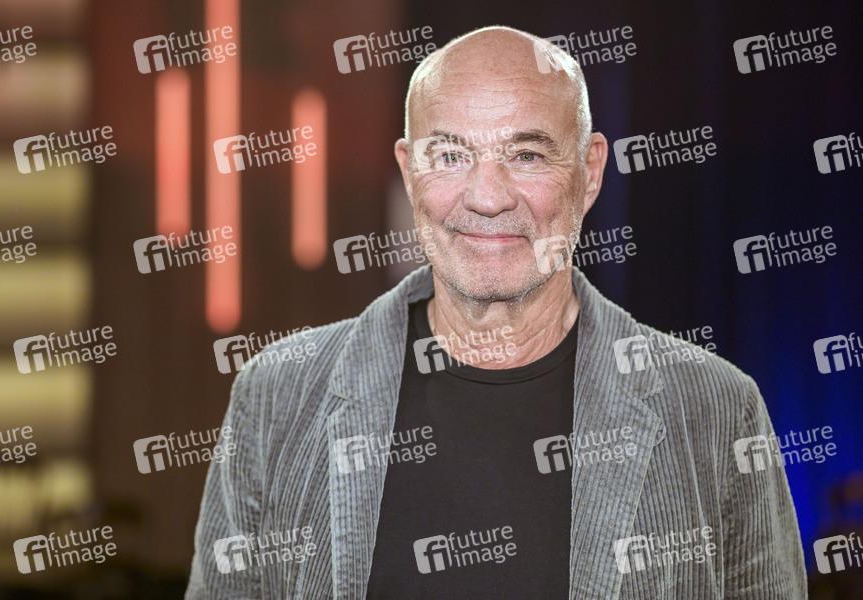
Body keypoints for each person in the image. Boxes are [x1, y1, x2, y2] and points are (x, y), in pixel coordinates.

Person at [186, 26, 807, 599]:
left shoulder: (718, 408)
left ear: (589, 172)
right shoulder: (276, 396)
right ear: (408, 172)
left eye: (527, 155)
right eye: (449, 155)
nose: (486, 198)